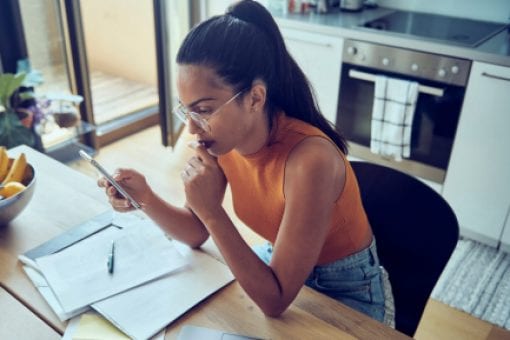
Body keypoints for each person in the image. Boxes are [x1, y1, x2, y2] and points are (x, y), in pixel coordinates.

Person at [98, 0, 394, 325]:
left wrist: (212, 211)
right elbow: (196, 232)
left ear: (255, 98)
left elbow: (275, 299)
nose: (192, 128)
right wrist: (145, 198)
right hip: (278, 265)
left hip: (346, 289)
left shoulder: (311, 161)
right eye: (186, 110)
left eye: (204, 110)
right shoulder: (220, 141)